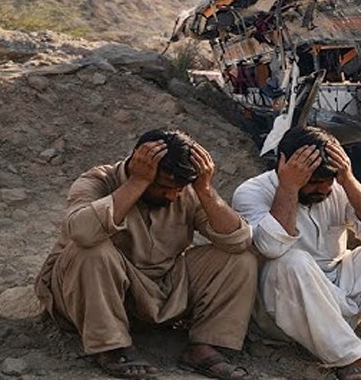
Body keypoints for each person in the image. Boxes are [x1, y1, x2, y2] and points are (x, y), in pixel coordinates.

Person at [35, 129, 257, 380]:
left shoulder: (185, 191)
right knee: (92, 250)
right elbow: (82, 233)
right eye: (164, 188)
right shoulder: (97, 181)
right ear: (139, 167)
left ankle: (204, 346)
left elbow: (238, 241)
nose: (173, 196)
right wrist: (136, 183)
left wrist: (205, 190)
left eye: (179, 189)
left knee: (241, 260)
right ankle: (111, 346)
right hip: (91, 289)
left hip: (160, 290)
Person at [232, 126, 361, 380]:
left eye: (329, 181)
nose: (324, 190)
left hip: (337, 299)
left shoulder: (335, 187)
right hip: (285, 310)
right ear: (283, 167)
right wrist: (289, 187)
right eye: (314, 182)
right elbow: (271, 247)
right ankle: (349, 359)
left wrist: (347, 179)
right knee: (290, 261)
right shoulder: (251, 192)